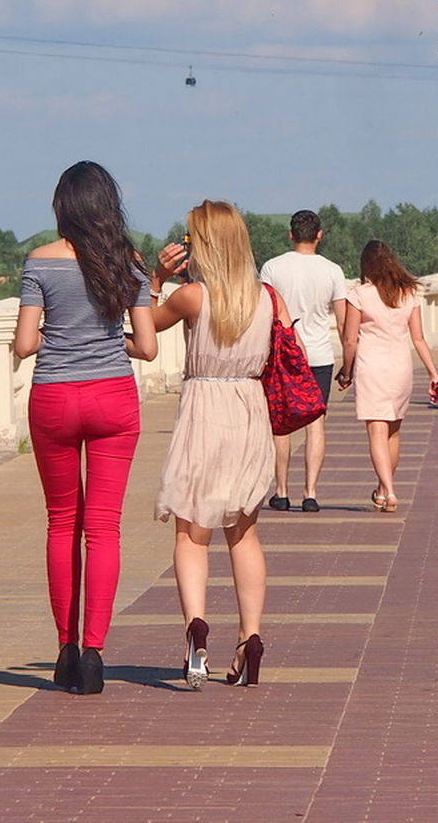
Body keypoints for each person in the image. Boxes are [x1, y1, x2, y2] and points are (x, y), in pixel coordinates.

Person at [14, 161, 157, 696]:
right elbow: (147, 346)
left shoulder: (40, 263)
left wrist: (57, 330)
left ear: (63, 207)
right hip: (113, 400)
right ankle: (95, 654)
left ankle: (65, 650)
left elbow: (26, 344)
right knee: (104, 528)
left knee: (61, 523)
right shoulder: (130, 264)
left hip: (54, 397)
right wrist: (108, 339)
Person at [149, 201, 284, 688]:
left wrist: (154, 279)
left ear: (202, 245)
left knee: (192, 532)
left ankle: (196, 632)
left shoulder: (191, 297)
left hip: (204, 407)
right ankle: (250, 637)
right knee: (244, 533)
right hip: (249, 409)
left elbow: (146, 327)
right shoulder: (267, 298)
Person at [336, 239, 438, 514]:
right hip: (400, 367)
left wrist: (346, 372)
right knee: (393, 431)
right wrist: (433, 374)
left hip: (372, 367)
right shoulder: (409, 293)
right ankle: (384, 489)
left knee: (376, 430)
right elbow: (419, 339)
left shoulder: (359, 294)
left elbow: (350, 341)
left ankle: (389, 491)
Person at [259, 209, 347, 513]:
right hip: (320, 355)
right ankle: (310, 493)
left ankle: (281, 491)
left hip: (281, 355)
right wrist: (348, 364)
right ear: (319, 235)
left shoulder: (272, 267)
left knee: (280, 424)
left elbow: (264, 311)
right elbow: (344, 320)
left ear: (291, 234)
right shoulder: (333, 271)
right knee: (316, 423)